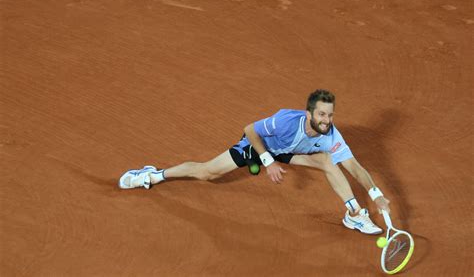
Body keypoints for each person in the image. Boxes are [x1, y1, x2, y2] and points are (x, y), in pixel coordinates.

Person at [119, 89, 390, 234]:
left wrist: (375, 194)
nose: (326, 121)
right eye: (321, 114)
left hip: (286, 151)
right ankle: (153, 175)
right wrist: (267, 160)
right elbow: (250, 129)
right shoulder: (286, 120)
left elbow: (353, 166)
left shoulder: (331, 134)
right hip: (259, 146)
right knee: (207, 173)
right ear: (309, 113)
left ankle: (354, 214)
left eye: (330, 115)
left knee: (329, 161)